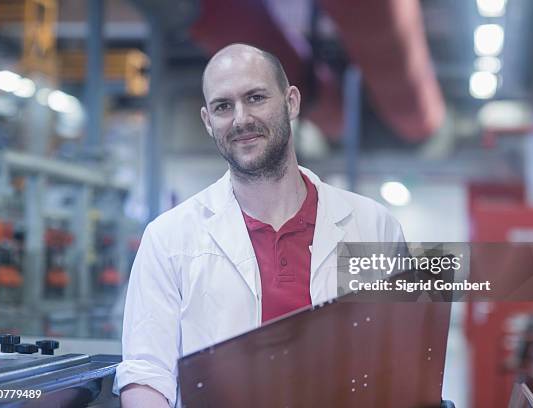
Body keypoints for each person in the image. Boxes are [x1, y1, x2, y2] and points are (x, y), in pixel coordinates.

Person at [114, 43, 405, 407]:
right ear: (207, 121)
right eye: (223, 106)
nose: (241, 120)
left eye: (255, 98)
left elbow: (400, 361)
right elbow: (146, 374)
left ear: (291, 102)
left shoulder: (373, 227)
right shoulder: (169, 238)